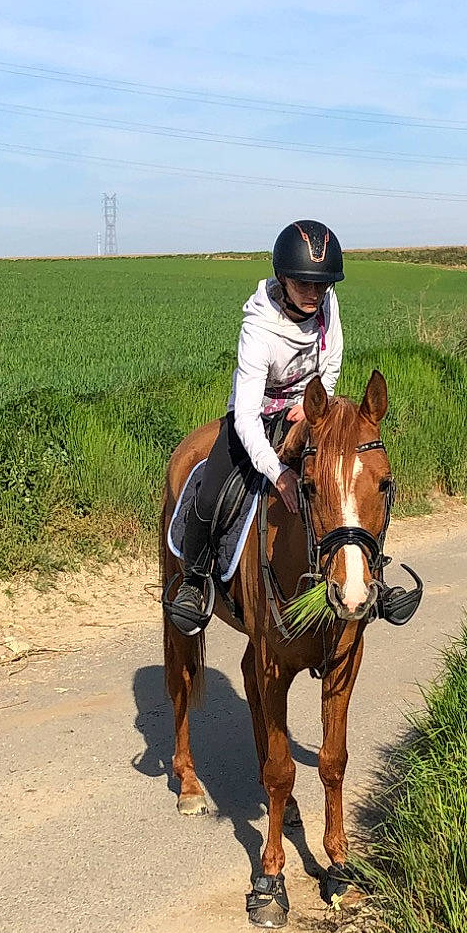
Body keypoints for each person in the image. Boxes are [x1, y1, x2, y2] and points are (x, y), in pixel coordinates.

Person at [163, 221, 344, 636]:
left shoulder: (328, 306)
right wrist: (278, 473)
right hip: (253, 417)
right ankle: (193, 580)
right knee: (210, 496)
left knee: (350, 475)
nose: (315, 294)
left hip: (305, 411)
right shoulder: (258, 329)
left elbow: (330, 362)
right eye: (304, 284)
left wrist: (311, 404)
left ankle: (368, 574)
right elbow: (245, 415)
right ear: (283, 278)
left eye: (322, 285)